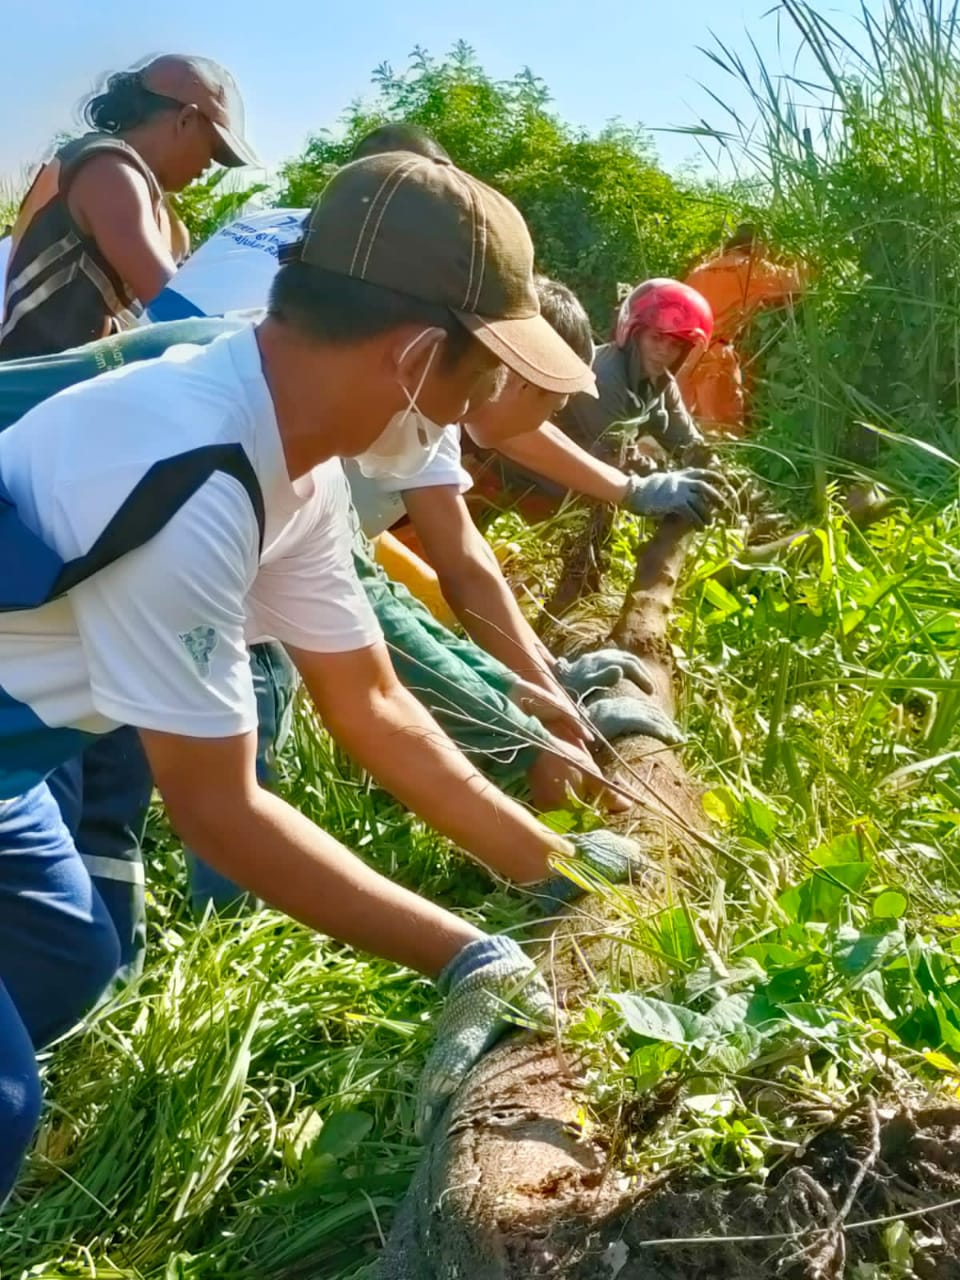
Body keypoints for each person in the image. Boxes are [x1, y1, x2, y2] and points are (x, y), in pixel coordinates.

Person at [0, 150, 654, 1203]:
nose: (476, 413)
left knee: (67, 954)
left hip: (12, 758)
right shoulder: (195, 475)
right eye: (482, 376)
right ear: (415, 356)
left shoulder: (283, 453)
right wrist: (466, 953)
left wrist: (554, 864)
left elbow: (374, 699)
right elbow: (221, 813)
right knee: (3, 1097)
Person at [0, 54, 259, 970]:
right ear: (182, 117)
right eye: (210, 148)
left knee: (100, 726)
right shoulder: (107, 166)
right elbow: (161, 297)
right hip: (34, 438)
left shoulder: (138, 183)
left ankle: (96, 949)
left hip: (72, 455)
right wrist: (256, 356)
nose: (205, 168)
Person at [552, 278, 729, 528]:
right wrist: (668, 481)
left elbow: (689, 444)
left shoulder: (661, 383)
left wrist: (721, 477)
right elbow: (617, 457)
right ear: (634, 333)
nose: (664, 352)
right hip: (551, 480)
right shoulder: (603, 375)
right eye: (656, 338)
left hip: (596, 483)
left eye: (675, 345)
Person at [677, 223, 802, 434]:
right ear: (759, 247)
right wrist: (802, 256)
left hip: (683, 357)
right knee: (723, 432)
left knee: (683, 427)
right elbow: (797, 282)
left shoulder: (699, 271)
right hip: (715, 356)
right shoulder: (750, 268)